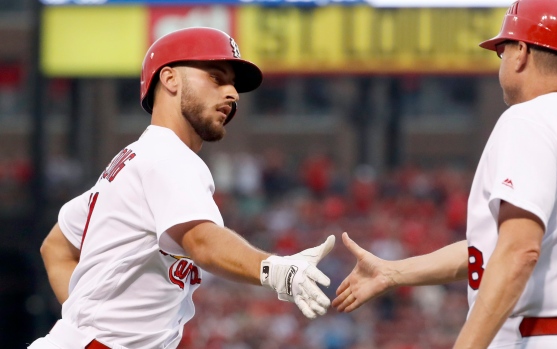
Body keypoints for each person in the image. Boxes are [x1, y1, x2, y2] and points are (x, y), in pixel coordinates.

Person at [333, 1, 557, 348]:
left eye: (503, 50)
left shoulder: (530, 119)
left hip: (543, 336)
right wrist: (394, 272)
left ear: (522, 53)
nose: (502, 61)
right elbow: (499, 247)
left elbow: (518, 252)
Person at [28, 27, 335, 349]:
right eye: (216, 78)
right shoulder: (166, 157)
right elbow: (202, 242)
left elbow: (55, 247)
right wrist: (275, 270)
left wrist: (79, 321)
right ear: (171, 79)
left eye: (233, 84)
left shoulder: (134, 162)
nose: (232, 93)